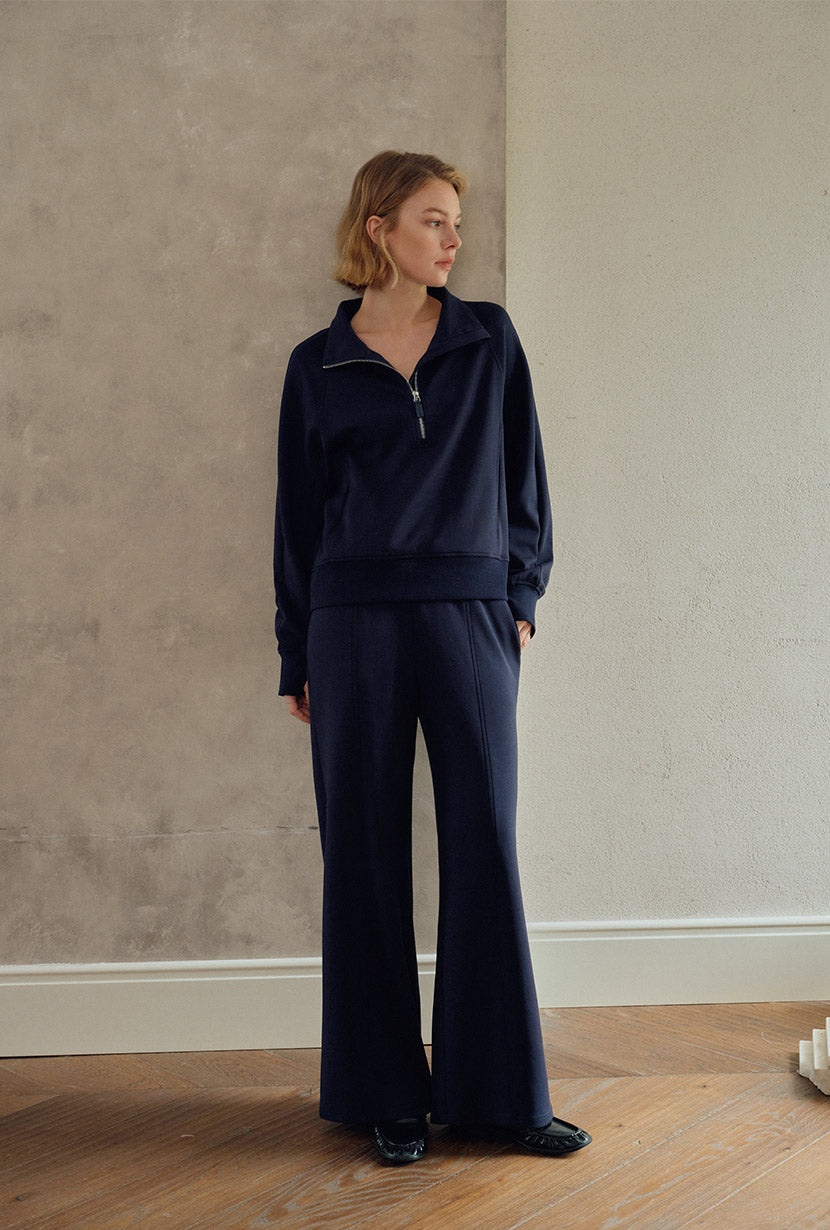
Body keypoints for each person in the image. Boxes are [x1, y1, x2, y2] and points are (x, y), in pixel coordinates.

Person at [273, 150, 591, 1165]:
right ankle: (387, 1098)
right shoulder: (317, 365)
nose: (454, 238)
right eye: (433, 219)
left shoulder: (487, 339)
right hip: (351, 626)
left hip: (469, 616)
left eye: (456, 220)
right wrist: (295, 650)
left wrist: (520, 596)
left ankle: (500, 1097)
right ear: (379, 228)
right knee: (362, 855)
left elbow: (525, 480)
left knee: (484, 842)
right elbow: (296, 522)